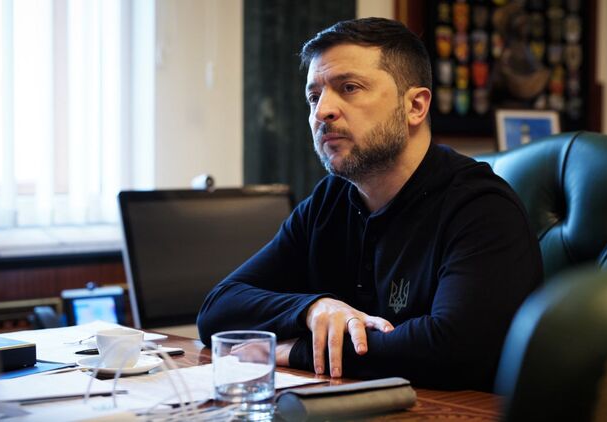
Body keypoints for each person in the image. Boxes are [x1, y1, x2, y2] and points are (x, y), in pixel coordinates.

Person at [197, 17, 542, 391]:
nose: (322, 111)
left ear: (415, 106)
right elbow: (218, 310)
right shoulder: (329, 199)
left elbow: (452, 349)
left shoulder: (482, 207)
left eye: (349, 88)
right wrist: (312, 309)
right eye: (314, 96)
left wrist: (297, 350)